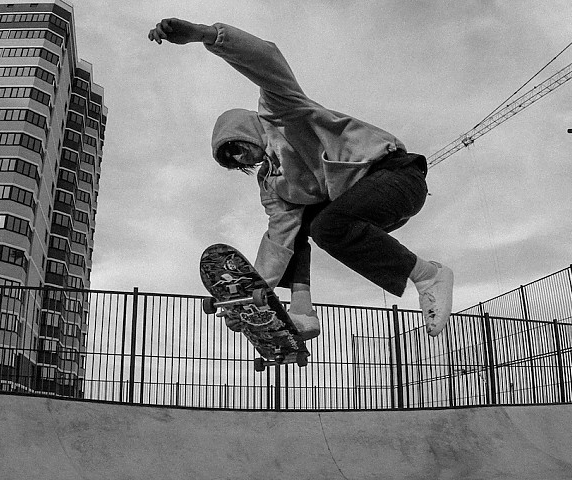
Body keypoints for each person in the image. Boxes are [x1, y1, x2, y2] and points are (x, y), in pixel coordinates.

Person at [148, 18, 454, 339]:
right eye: (233, 161)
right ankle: (301, 308)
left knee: (325, 225)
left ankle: (428, 274)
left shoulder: (280, 111)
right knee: (303, 225)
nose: (241, 159)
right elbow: (279, 237)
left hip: (395, 177)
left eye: (236, 148)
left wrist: (205, 35)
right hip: (366, 210)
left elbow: (266, 59)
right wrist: (256, 295)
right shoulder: (272, 184)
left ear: (246, 129)